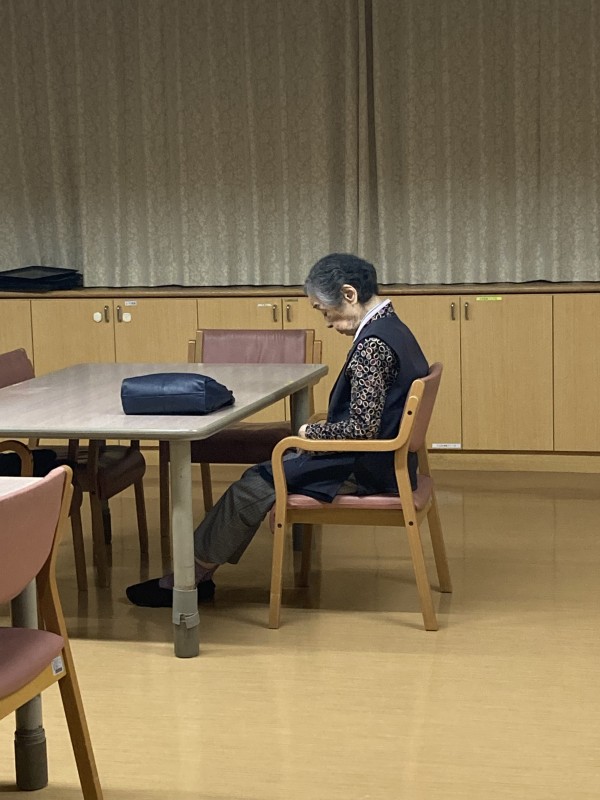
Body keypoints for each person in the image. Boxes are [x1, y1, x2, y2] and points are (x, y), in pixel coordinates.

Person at [126, 253, 429, 607]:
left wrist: (309, 435)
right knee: (266, 472)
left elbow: (362, 429)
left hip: (366, 467)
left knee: (253, 484)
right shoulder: (395, 329)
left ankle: (187, 580)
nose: (327, 323)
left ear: (349, 294)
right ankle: (198, 573)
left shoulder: (372, 346)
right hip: (387, 463)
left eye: (325, 311)